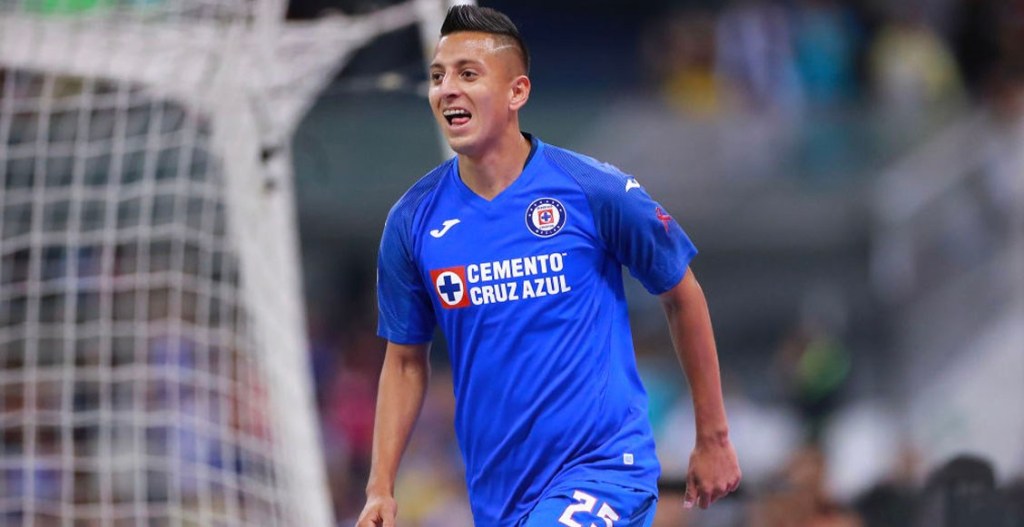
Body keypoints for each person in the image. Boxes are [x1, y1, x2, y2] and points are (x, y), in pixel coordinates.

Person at [357, 6, 741, 527]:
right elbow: (404, 362)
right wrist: (380, 488)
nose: (448, 89)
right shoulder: (412, 221)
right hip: (500, 495)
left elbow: (682, 294)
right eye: (438, 76)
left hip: (605, 471)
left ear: (517, 92)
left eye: (468, 74)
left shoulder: (594, 190)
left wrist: (713, 437)